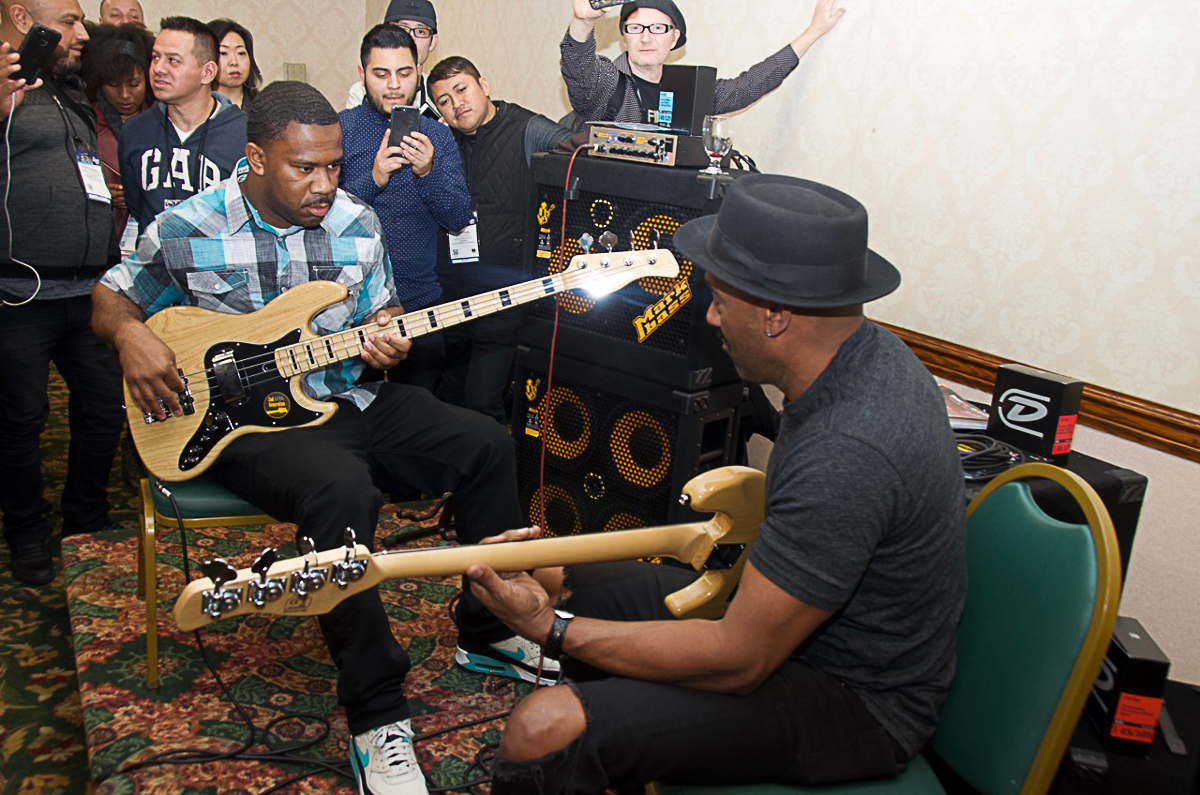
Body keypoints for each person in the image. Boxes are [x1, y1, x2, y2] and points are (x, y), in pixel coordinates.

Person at [93, 80, 559, 795]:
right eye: (302, 167)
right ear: (254, 157)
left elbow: (386, 313)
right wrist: (130, 334)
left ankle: (487, 632)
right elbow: (112, 294)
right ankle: (377, 716)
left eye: (334, 166)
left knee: (487, 441)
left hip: (347, 394)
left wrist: (389, 340)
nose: (324, 184)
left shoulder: (355, 222)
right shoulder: (189, 225)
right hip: (248, 425)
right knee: (344, 488)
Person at [464, 175, 969, 794]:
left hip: (853, 698)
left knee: (541, 728)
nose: (708, 316)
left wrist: (551, 630)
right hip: (793, 629)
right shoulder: (864, 353)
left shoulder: (850, 448)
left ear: (776, 317)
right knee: (550, 576)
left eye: (720, 301)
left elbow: (740, 659)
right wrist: (548, 601)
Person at [0, 0, 124, 586]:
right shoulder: (6, 86)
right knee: (22, 419)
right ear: (26, 19)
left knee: (103, 410)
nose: (82, 31)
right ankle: (26, 531)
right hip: (20, 294)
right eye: (70, 20)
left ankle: (86, 516)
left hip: (89, 291)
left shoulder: (63, 88)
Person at [427, 56, 571, 423]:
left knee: (482, 401)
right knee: (447, 398)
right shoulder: (440, 142)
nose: (456, 103)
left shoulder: (527, 129)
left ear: (484, 85)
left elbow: (576, 152)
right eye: (444, 100)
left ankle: (495, 474)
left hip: (503, 296)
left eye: (462, 89)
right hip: (451, 292)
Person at [339, 24, 470, 390]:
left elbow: (458, 217)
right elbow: (318, 218)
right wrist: (374, 178)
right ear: (363, 74)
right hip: (349, 312)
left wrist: (427, 172)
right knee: (347, 426)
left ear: (419, 74)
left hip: (418, 307)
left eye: (405, 73)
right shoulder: (339, 130)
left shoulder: (440, 135)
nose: (394, 85)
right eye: (381, 74)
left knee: (418, 429)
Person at [561, 0, 844, 128]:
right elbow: (578, 69)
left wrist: (813, 32)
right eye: (636, 28)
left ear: (674, 38)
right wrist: (582, 22)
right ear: (624, 37)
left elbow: (750, 85)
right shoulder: (606, 81)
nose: (646, 37)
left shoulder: (689, 91)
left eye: (658, 28)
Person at [118, 16, 248, 233]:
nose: (158, 68)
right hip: (156, 261)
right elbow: (136, 204)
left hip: (220, 261)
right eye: (155, 57)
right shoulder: (134, 131)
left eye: (173, 60)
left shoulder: (244, 134)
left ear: (207, 72)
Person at [80, 21, 155, 239]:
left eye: (133, 84)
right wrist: (99, 194)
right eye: (114, 85)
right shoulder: (84, 122)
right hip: (98, 239)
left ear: (148, 80)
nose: (124, 95)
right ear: (100, 84)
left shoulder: (162, 124)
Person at [345, 0, 440, 119]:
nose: (410, 38)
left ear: (433, 41)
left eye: (421, 31)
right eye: (401, 29)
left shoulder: (440, 92)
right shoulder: (361, 92)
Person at [208, 18, 261, 111]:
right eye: (223, 53)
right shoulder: (192, 110)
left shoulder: (266, 109)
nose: (234, 62)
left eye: (241, 53)